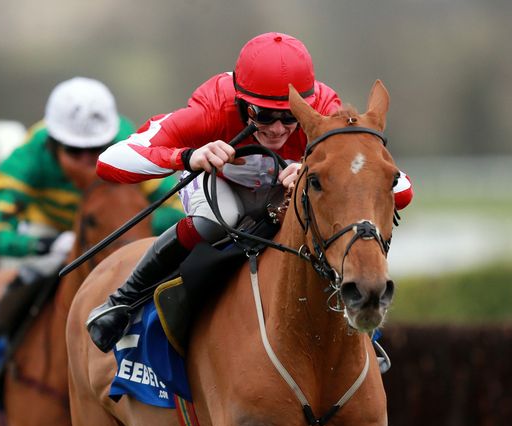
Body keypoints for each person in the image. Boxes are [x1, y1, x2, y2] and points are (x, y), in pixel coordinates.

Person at [86, 33, 414, 354]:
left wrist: (309, 172)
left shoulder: (324, 113)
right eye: (264, 115)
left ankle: (361, 336)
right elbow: (110, 161)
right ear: (241, 102)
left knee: (321, 221)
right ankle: (124, 299)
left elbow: (398, 190)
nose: (277, 129)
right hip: (220, 181)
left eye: (290, 117)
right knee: (217, 220)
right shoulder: (213, 109)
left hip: (283, 191)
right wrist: (186, 157)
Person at [0, 77, 185, 395]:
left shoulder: (129, 142)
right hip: (53, 232)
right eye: (75, 151)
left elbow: (176, 208)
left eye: (99, 149)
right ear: (53, 145)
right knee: (36, 271)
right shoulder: (29, 158)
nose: (90, 161)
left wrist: (129, 226)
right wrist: (42, 245)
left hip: (114, 232)